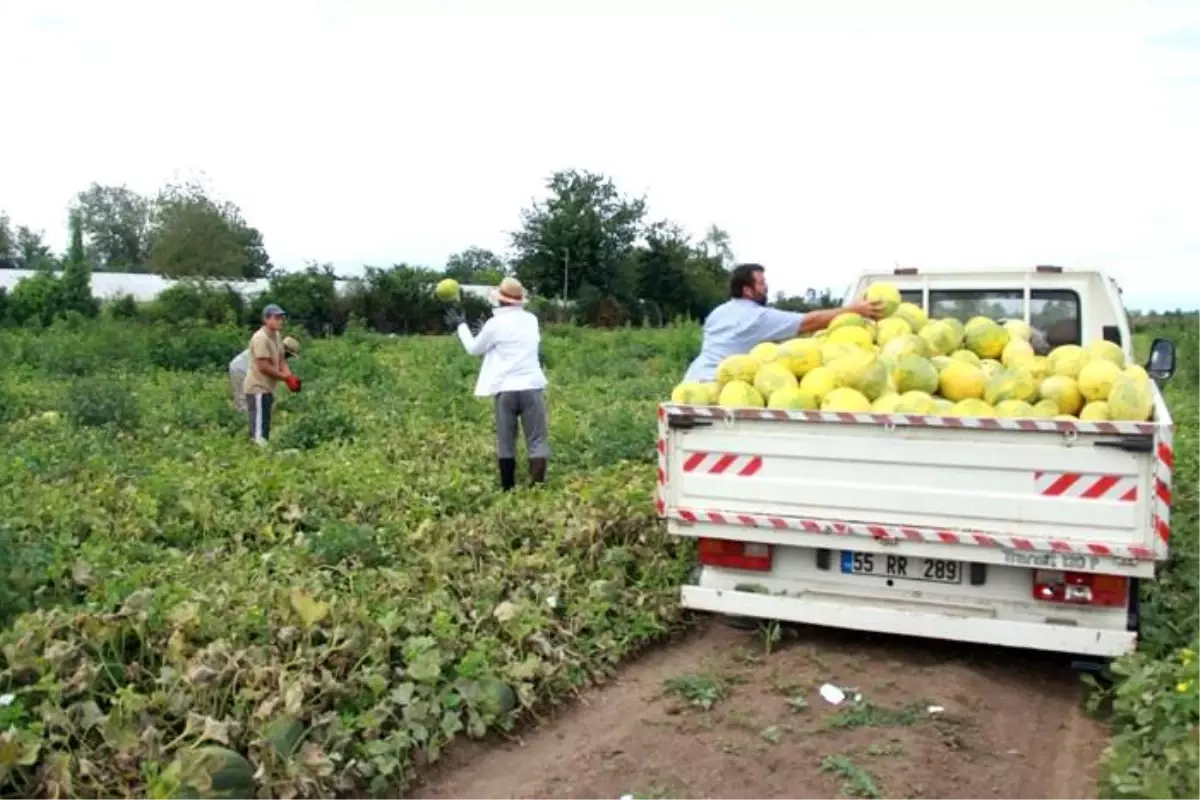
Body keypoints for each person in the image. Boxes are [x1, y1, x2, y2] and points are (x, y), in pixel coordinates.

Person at [683, 263, 885, 383]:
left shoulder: (718, 313)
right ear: (747, 290)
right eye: (761, 284)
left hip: (693, 378)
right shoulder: (758, 317)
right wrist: (854, 310)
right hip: (718, 384)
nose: (766, 287)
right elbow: (809, 322)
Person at [446, 277, 549, 491]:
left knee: (506, 441)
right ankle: (537, 489)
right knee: (537, 440)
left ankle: (507, 489)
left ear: (500, 301)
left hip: (505, 389)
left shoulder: (494, 325)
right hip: (531, 386)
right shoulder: (531, 320)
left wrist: (461, 326)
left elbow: (474, 349)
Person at [244, 304, 302, 444]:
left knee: (264, 423)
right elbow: (263, 365)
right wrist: (284, 378)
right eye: (276, 318)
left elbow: (281, 359)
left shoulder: (276, 335)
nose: (280, 321)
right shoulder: (260, 338)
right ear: (266, 319)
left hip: (267, 387)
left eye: (281, 318)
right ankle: (258, 455)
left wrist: (289, 377)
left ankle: (262, 452)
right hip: (257, 386)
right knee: (258, 427)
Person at [229, 335, 300, 413]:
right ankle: (242, 420)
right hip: (240, 368)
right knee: (242, 399)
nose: (288, 357)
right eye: (289, 355)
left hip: (248, 369)